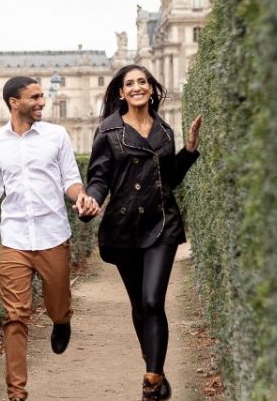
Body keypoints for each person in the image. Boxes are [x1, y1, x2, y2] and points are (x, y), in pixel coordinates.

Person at [0, 75, 100, 401]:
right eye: (34, 97)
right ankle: (16, 394)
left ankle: (61, 320)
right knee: (14, 316)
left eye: (42, 96)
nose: (42, 102)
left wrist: (81, 197)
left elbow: (71, 180)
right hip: (15, 240)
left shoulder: (56, 135)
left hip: (53, 235)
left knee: (57, 304)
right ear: (14, 102)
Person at [83, 64, 202, 401]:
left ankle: (151, 381)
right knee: (140, 305)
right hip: (123, 228)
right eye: (129, 83)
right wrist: (91, 200)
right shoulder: (108, 132)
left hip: (161, 224)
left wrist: (189, 150)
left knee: (152, 300)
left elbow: (170, 179)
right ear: (121, 93)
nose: (137, 87)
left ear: (151, 89)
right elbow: (99, 178)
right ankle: (155, 365)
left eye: (143, 82)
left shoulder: (164, 130)